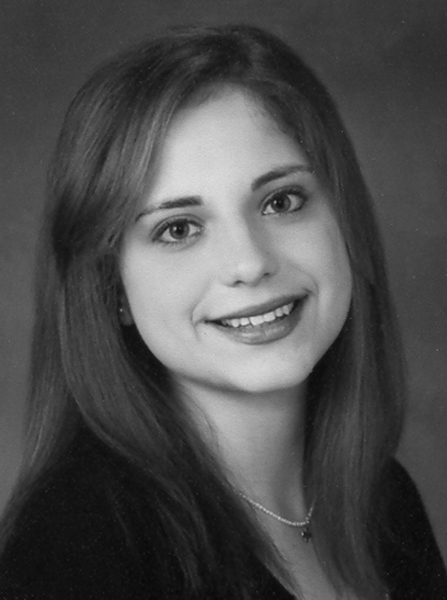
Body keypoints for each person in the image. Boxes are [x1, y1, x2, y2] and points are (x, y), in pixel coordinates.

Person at [0, 24, 445, 600]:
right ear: (111, 288)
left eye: (281, 201)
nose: (250, 263)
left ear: (344, 220)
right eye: (179, 229)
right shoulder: (71, 551)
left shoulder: (384, 501)